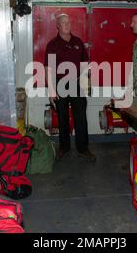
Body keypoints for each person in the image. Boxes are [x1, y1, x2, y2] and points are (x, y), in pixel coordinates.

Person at [44, 13, 96, 162]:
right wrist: (51, 91)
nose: (67, 25)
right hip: (59, 83)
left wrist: (87, 83)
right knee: (62, 118)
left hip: (77, 83)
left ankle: (83, 148)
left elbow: (85, 65)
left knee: (81, 117)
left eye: (69, 22)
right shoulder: (52, 44)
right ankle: (64, 147)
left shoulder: (78, 42)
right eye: (64, 23)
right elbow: (48, 69)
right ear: (58, 26)